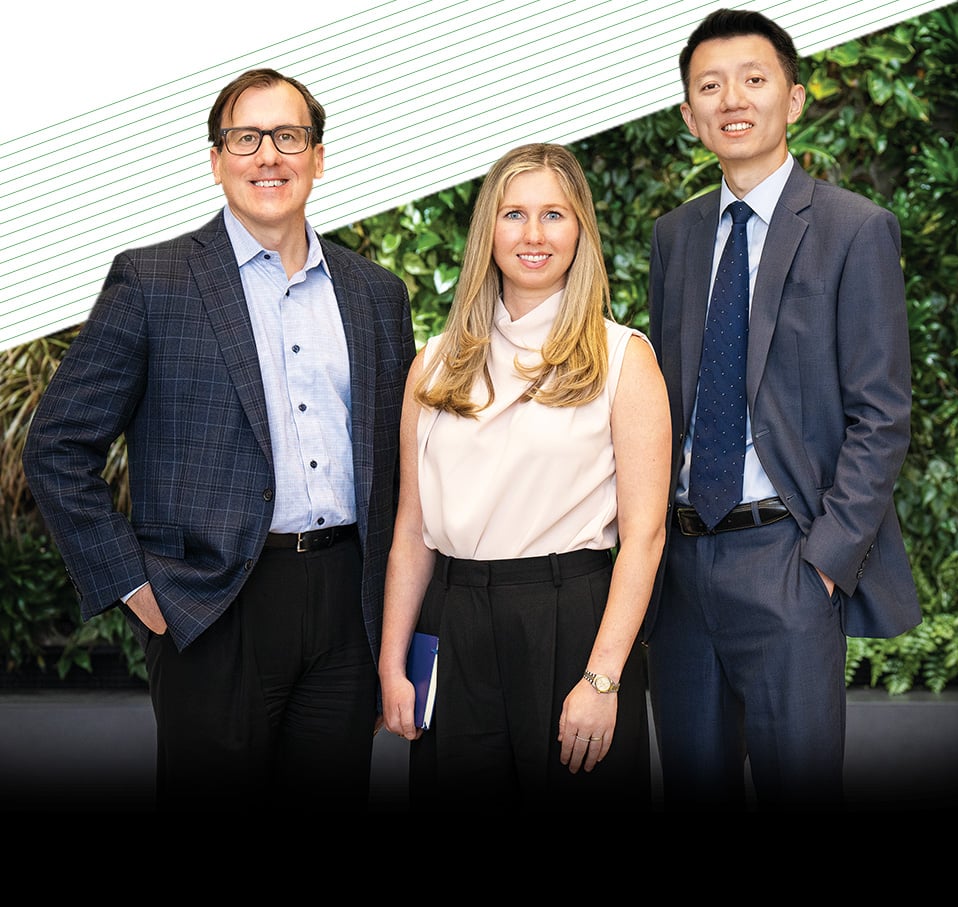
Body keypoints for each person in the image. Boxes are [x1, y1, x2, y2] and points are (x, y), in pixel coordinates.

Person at [22, 68, 416, 811]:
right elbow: (57, 445)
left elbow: (400, 463)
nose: (269, 155)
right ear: (216, 159)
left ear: (319, 156)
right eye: (246, 137)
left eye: (289, 137)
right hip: (210, 607)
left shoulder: (376, 293)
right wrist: (136, 588)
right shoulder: (153, 281)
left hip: (344, 604)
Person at [645, 8, 921, 810]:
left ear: (793, 99)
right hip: (684, 567)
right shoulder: (675, 236)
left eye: (754, 80)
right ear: (691, 115)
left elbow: (882, 415)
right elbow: (663, 400)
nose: (733, 99)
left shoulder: (853, 229)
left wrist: (825, 562)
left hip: (789, 562)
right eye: (710, 85)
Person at [377, 142, 672, 812]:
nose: (533, 235)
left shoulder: (624, 359)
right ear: (489, 231)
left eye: (554, 215)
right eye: (514, 214)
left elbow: (646, 536)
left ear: (581, 232)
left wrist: (602, 679)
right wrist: (394, 664)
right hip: (453, 622)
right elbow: (412, 529)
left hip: (570, 619)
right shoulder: (433, 365)